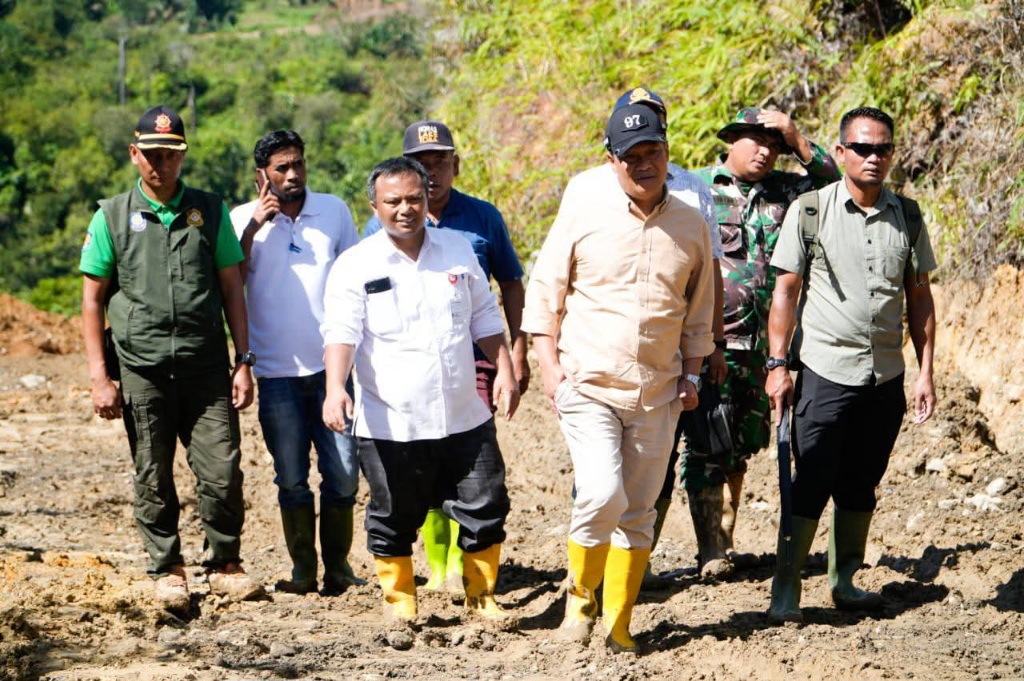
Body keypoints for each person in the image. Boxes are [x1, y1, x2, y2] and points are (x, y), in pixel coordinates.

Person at [522, 101, 715, 652]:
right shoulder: (584, 210)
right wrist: (550, 367)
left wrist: (692, 375)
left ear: (667, 153)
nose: (643, 163)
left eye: (652, 151)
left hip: (659, 390)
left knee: (639, 513)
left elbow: (700, 310)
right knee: (602, 492)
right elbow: (546, 289)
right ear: (612, 161)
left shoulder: (690, 223)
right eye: (630, 156)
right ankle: (578, 604)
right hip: (588, 384)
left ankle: (618, 625)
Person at [321, 157, 521, 629]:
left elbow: (485, 318)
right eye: (393, 201)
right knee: (393, 514)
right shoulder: (356, 264)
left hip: (464, 412)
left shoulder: (456, 249)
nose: (405, 209)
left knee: (486, 503)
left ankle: (481, 597)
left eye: (414, 198)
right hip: (392, 420)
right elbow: (342, 333)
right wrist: (334, 388)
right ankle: (401, 603)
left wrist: (506, 369)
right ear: (375, 206)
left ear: (428, 199)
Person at [80, 105, 261, 611]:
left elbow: (232, 288)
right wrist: (100, 377)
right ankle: (168, 568)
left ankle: (225, 563)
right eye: (152, 154)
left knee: (223, 472)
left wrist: (242, 360)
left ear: (182, 156)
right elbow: (92, 299)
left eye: (171, 154)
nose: (161, 164)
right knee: (153, 474)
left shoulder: (210, 210)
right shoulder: (111, 216)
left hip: (206, 370)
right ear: (135, 154)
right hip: (142, 369)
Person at [765, 106, 937, 622]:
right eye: (862, 148)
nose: (873, 157)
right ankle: (787, 585)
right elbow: (785, 294)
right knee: (811, 477)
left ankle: (844, 581)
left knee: (862, 479)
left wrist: (926, 370)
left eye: (882, 148)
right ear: (840, 153)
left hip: (885, 374)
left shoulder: (907, 216)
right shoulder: (811, 210)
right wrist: (778, 365)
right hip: (824, 369)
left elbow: (920, 299)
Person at [364, 120, 529, 594]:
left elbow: (511, 283)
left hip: (472, 357)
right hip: (408, 367)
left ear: (455, 165)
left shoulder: (481, 218)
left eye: (440, 162)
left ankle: (464, 567)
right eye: (422, 164)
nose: (432, 172)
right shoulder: (380, 225)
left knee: (466, 458)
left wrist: (515, 351)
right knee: (422, 458)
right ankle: (438, 568)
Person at [680, 106, 840, 577]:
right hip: (712, 339)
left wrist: (797, 137)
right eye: (757, 141)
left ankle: (726, 538)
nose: (766, 151)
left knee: (742, 442)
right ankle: (710, 548)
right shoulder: (697, 188)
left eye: (774, 144)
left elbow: (833, 183)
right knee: (707, 440)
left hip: (766, 343)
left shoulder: (785, 191)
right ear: (731, 142)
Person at [231, 130, 365, 596]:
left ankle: (340, 568)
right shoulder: (239, 220)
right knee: (291, 477)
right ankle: (303, 571)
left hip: (333, 371)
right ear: (261, 177)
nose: (292, 175)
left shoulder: (333, 211)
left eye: (298, 165)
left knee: (344, 473)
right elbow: (231, 281)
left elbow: (354, 278)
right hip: (276, 373)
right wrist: (254, 227)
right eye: (281, 168)